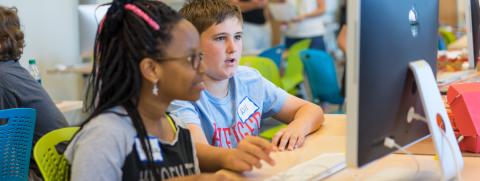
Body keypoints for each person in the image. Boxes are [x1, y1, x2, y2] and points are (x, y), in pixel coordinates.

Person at [64, 0, 231, 180]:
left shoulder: (179, 129)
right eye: (191, 59)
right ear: (152, 69)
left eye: (200, 56)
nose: (203, 68)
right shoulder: (105, 136)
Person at [169, 0, 324, 156]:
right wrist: (239, 157)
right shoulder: (182, 95)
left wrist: (296, 128)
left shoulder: (249, 80)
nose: (233, 48)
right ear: (192, 46)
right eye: (220, 38)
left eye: (237, 37)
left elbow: (312, 110)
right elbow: (199, 152)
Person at [0, 6, 68, 180]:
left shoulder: (2, 77)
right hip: (61, 164)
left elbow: (5, 150)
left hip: (43, 171)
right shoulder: (12, 70)